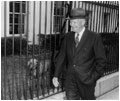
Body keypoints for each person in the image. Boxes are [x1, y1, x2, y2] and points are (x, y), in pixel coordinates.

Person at [52, 8, 106, 100]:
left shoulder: (94, 37)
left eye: (74, 22)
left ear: (83, 22)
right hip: (70, 81)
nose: (70, 24)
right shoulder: (67, 37)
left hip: (87, 81)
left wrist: (93, 78)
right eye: (71, 22)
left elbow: (101, 60)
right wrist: (56, 75)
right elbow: (61, 57)